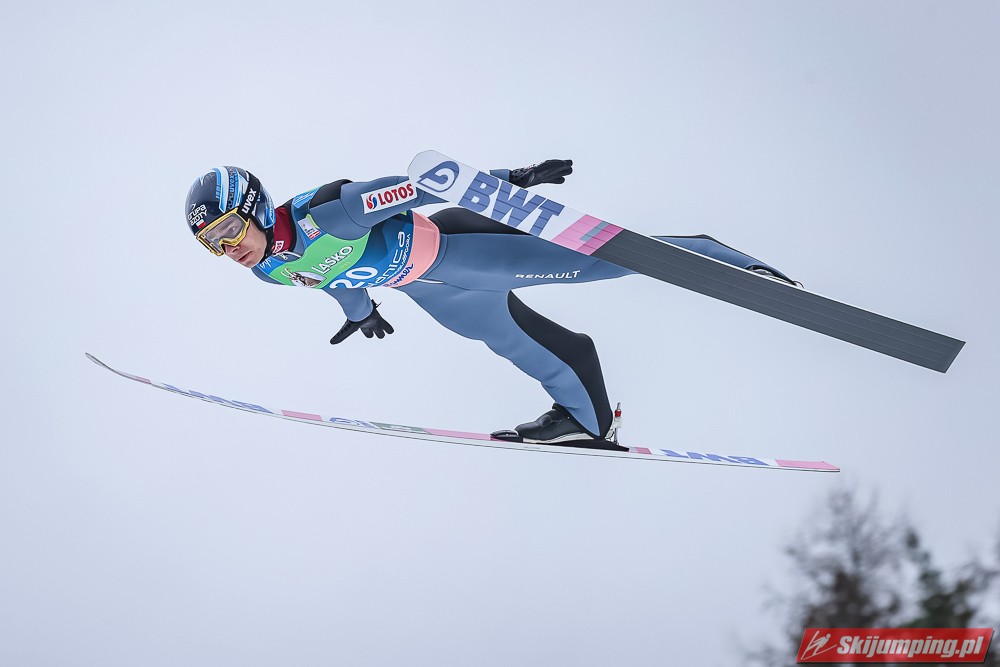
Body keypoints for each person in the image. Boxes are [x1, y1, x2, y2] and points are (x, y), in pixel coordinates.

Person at [185, 161, 798, 447]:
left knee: (595, 264)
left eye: (229, 230)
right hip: (431, 291)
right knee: (518, 344)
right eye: (213, 244)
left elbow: (421, 187)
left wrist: (511, 180)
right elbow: (327, 275)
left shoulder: (331, 210)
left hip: (464, 249)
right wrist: (359, 312)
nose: (228, 249)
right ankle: (588, 419)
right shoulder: (268, 270)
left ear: (253, 207)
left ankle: (721, 259)